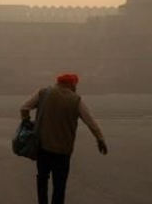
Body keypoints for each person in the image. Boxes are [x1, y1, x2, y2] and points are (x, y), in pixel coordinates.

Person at [20, 74, 108, 204]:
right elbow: (91, 122)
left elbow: (24, 108)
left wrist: (27, 122)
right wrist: (100, 139)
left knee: (42, 179)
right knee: (59, 185)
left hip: (43, 147)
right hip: (63, 151)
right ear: (72, 84)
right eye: (75, 85)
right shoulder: (76, 100)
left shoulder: (43, 93)